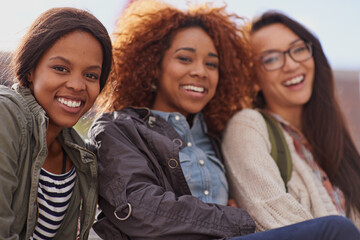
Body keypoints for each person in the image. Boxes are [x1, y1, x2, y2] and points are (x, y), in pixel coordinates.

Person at [88, 1, 360, 239]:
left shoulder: (216, 136)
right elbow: (140, 210)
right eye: (185, 58)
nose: (200, 71)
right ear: (152, 66)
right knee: (337, 231)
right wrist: (238, 219)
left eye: (212, 64)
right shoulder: (118, 128)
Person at [222, 10, 360, 232]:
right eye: (272, 58)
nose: (291, 64)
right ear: (254, 79)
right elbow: (277, 224)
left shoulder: (332, 141)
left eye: (298, 49)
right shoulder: (247, 126)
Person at [0, 7, 112, 239]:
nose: (77, 85)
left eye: (91, 75)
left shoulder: (80, 156)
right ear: (30, 70)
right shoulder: (5, 114)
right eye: (61, 68)